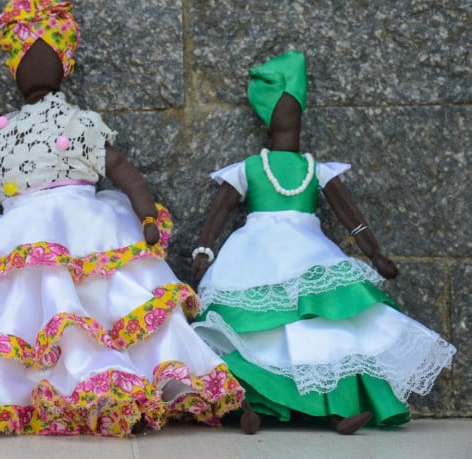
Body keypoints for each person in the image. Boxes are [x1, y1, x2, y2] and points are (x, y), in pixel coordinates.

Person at [0, 0, 243, 437]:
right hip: (69, 226)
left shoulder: (32, 132)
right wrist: (145, 215)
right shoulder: (48, 128)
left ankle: (83, 385)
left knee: (59, 307)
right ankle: (84, 384)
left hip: (39, 229)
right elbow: (127, 176)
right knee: (83, 303)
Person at [191, 51, 456, 434]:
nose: (290, 119)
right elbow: (218, 212)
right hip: (254, 256)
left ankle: (336, 411)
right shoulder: (249, 168)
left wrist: (375, 254)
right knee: (252, 329)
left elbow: (351, 215)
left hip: (308, 253)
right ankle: (249, 405)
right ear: (268, 119)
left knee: (323, 332)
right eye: (285, 111)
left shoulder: (315, 169)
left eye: (295, 111)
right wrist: (204, 249)